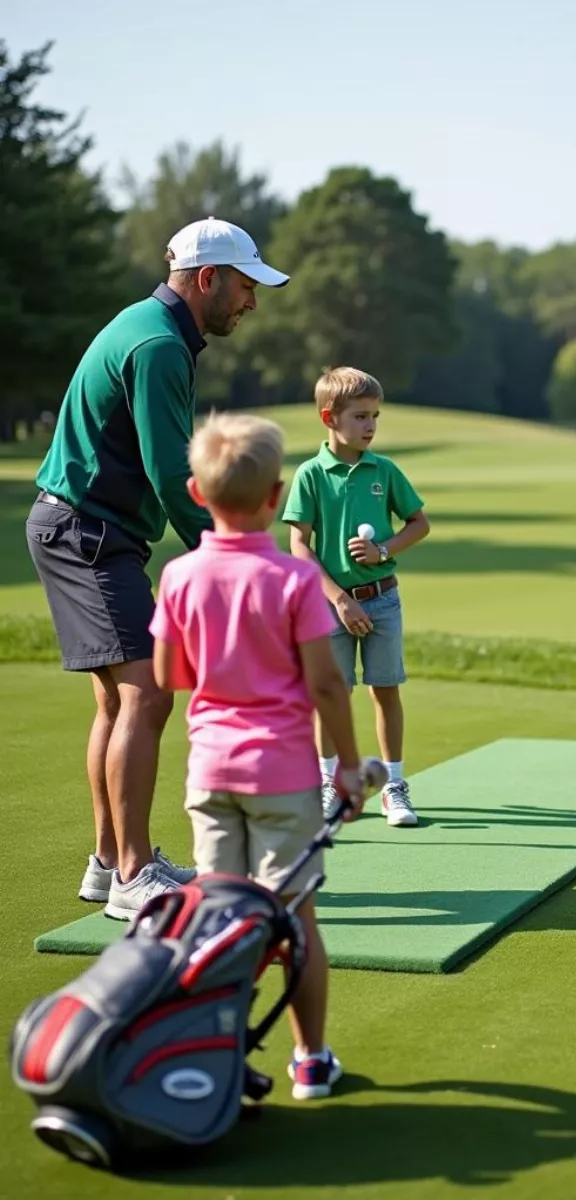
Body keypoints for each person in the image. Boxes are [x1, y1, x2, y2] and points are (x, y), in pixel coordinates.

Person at [25, 217, 289, 918]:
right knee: (148, 693)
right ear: (208, 279)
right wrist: (230, 553)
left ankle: (110, 861)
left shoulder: (151, 326)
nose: (250, 302)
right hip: (87, 532)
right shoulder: (159, 345)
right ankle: (133, 877)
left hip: (82, 528)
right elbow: (173, 474)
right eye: (243, 286)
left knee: (118, 700)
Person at [151, 412, 370, 1100]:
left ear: (194, 492)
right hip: (282, 775)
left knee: (220, 921)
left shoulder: (180, 574)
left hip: (210, 773)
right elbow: (326, 682)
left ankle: (216, 1055)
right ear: (277, 496)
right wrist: (349, 764)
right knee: (293, 918)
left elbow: (168, 677)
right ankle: (310, 1060)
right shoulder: (295, 581)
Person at [283, 367, 430, 826]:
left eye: (375, 416)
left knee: (385, 690)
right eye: (360, 416)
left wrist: (383, 549)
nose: (370, 426)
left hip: (383, 599)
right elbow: (299, 545)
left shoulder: (384, 471)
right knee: (331, 694)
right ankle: (332, 784)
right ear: (330, 418)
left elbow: (419, 524)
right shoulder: (310, 474)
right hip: (329, 606)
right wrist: (339, 600)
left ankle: (394, 786)